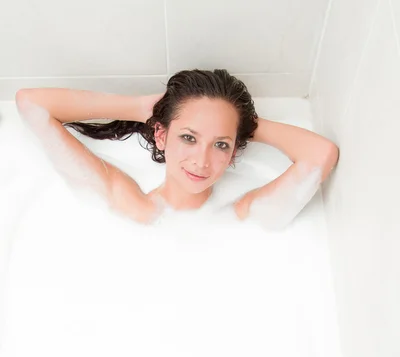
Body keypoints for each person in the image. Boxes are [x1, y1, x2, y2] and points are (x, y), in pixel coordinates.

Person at [15, 68, 339, 228]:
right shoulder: (126, 203)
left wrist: (237, 124)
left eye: (220, 145)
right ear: (160, 136)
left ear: (234, 152)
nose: (201, 160)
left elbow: (320, 154)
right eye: (188, 137)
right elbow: (31, 104)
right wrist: (141, 108)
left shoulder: (242, 219)